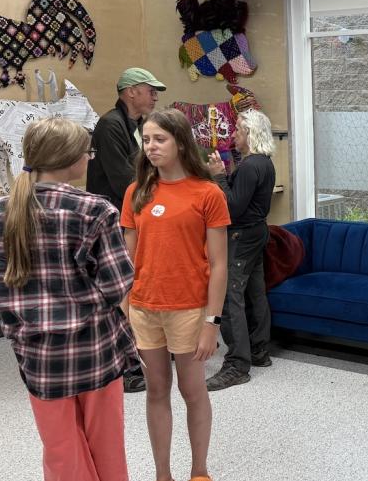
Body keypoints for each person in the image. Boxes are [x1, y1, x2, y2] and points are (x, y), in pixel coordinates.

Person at [0, 117, 138, 481]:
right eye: (88, 153)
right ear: (72, 159)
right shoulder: (96, 210)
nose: (90, 159)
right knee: (106, 448)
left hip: (38, 359)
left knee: (61, 453)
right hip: (95, 353)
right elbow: (118, 285)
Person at [121, 109, 230, 481]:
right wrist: (123, 312)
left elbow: (219, 265)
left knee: (192, 389)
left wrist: (211, 323)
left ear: (181, 142)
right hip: (144, 308)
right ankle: (162, 475)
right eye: (146, 140)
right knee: (156, 390)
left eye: (159, 139)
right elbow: (127, 260)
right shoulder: (136, 192)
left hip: (189, 308)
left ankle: (199, 470)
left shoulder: (208, 193)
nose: (151, 147)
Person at [88, 66, 165, 394]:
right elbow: (125, 181)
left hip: (134, 219)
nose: (155, 96)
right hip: (114, 224)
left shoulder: (137, 125)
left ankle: (142, 355)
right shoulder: (109, 126)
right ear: (131, 91)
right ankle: (126, 367)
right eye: (151, 90)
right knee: (121, 294)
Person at [205, 109, 277, 391]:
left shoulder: (250, 166)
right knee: (254, 292)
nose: (232, 134)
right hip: (257, 232)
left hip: (241, 234)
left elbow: (232, 207)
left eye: (237, 130)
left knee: (228, 296)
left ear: (250, 134)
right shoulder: (264, 163)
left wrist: (219, 177)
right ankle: (259, 351)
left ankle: (236, 365)